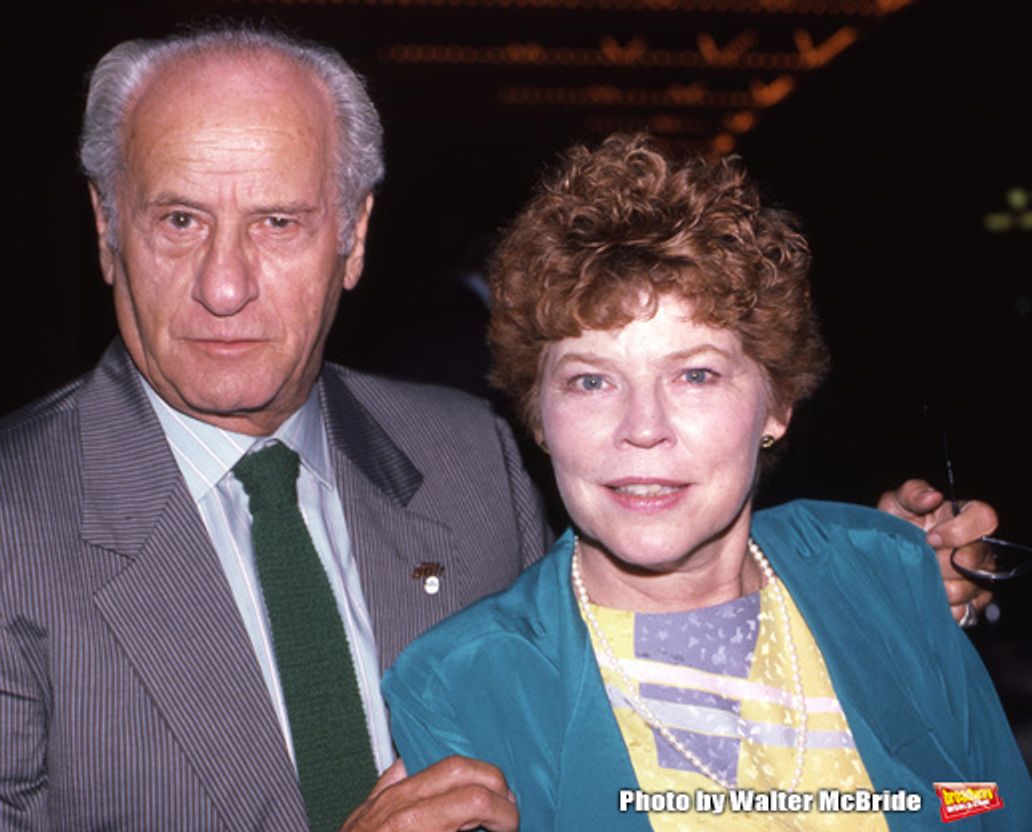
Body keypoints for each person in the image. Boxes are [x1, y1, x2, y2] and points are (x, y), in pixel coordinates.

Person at [0, 25, 998, 832]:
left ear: (354, 237)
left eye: (281, 222)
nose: (225, 284)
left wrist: (875, 574)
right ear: (107, 230)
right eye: (180, 219)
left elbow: (647, 569)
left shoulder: (469, 454)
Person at [383, 133, 1031, 830]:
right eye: (592, 381)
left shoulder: (886, 575)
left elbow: (988, 804)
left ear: (777, 403)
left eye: (695, 374)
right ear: (538, 416)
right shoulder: (462, 686)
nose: (643, 427)